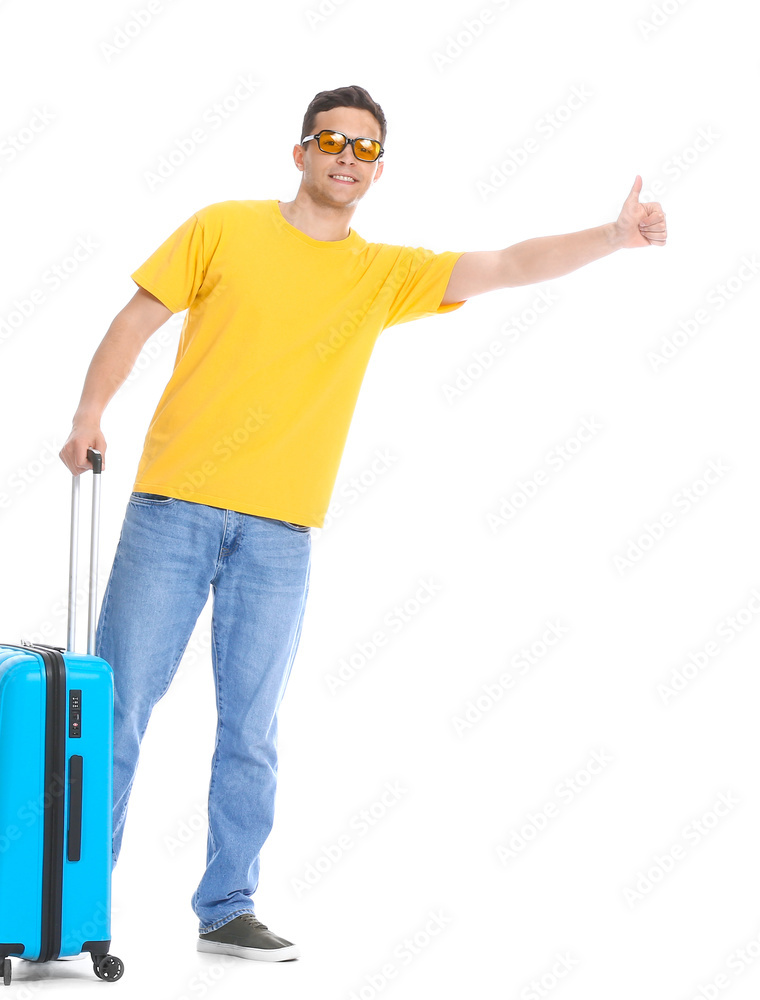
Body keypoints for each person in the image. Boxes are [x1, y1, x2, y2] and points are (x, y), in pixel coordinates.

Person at [58, 84, 667, 962]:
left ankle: (228, 905)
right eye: (332, 140)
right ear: (299, 152)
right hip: (175, 507)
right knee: (114, 708)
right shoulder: (222, 228)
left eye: (366, 148)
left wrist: (611, 238)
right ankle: (76, 904)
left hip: (280, 534)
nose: (348, 156)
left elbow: (505, 264)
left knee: (251, 726)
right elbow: (137, 318)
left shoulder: (381, 274)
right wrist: (88, 416)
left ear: (377, 171)